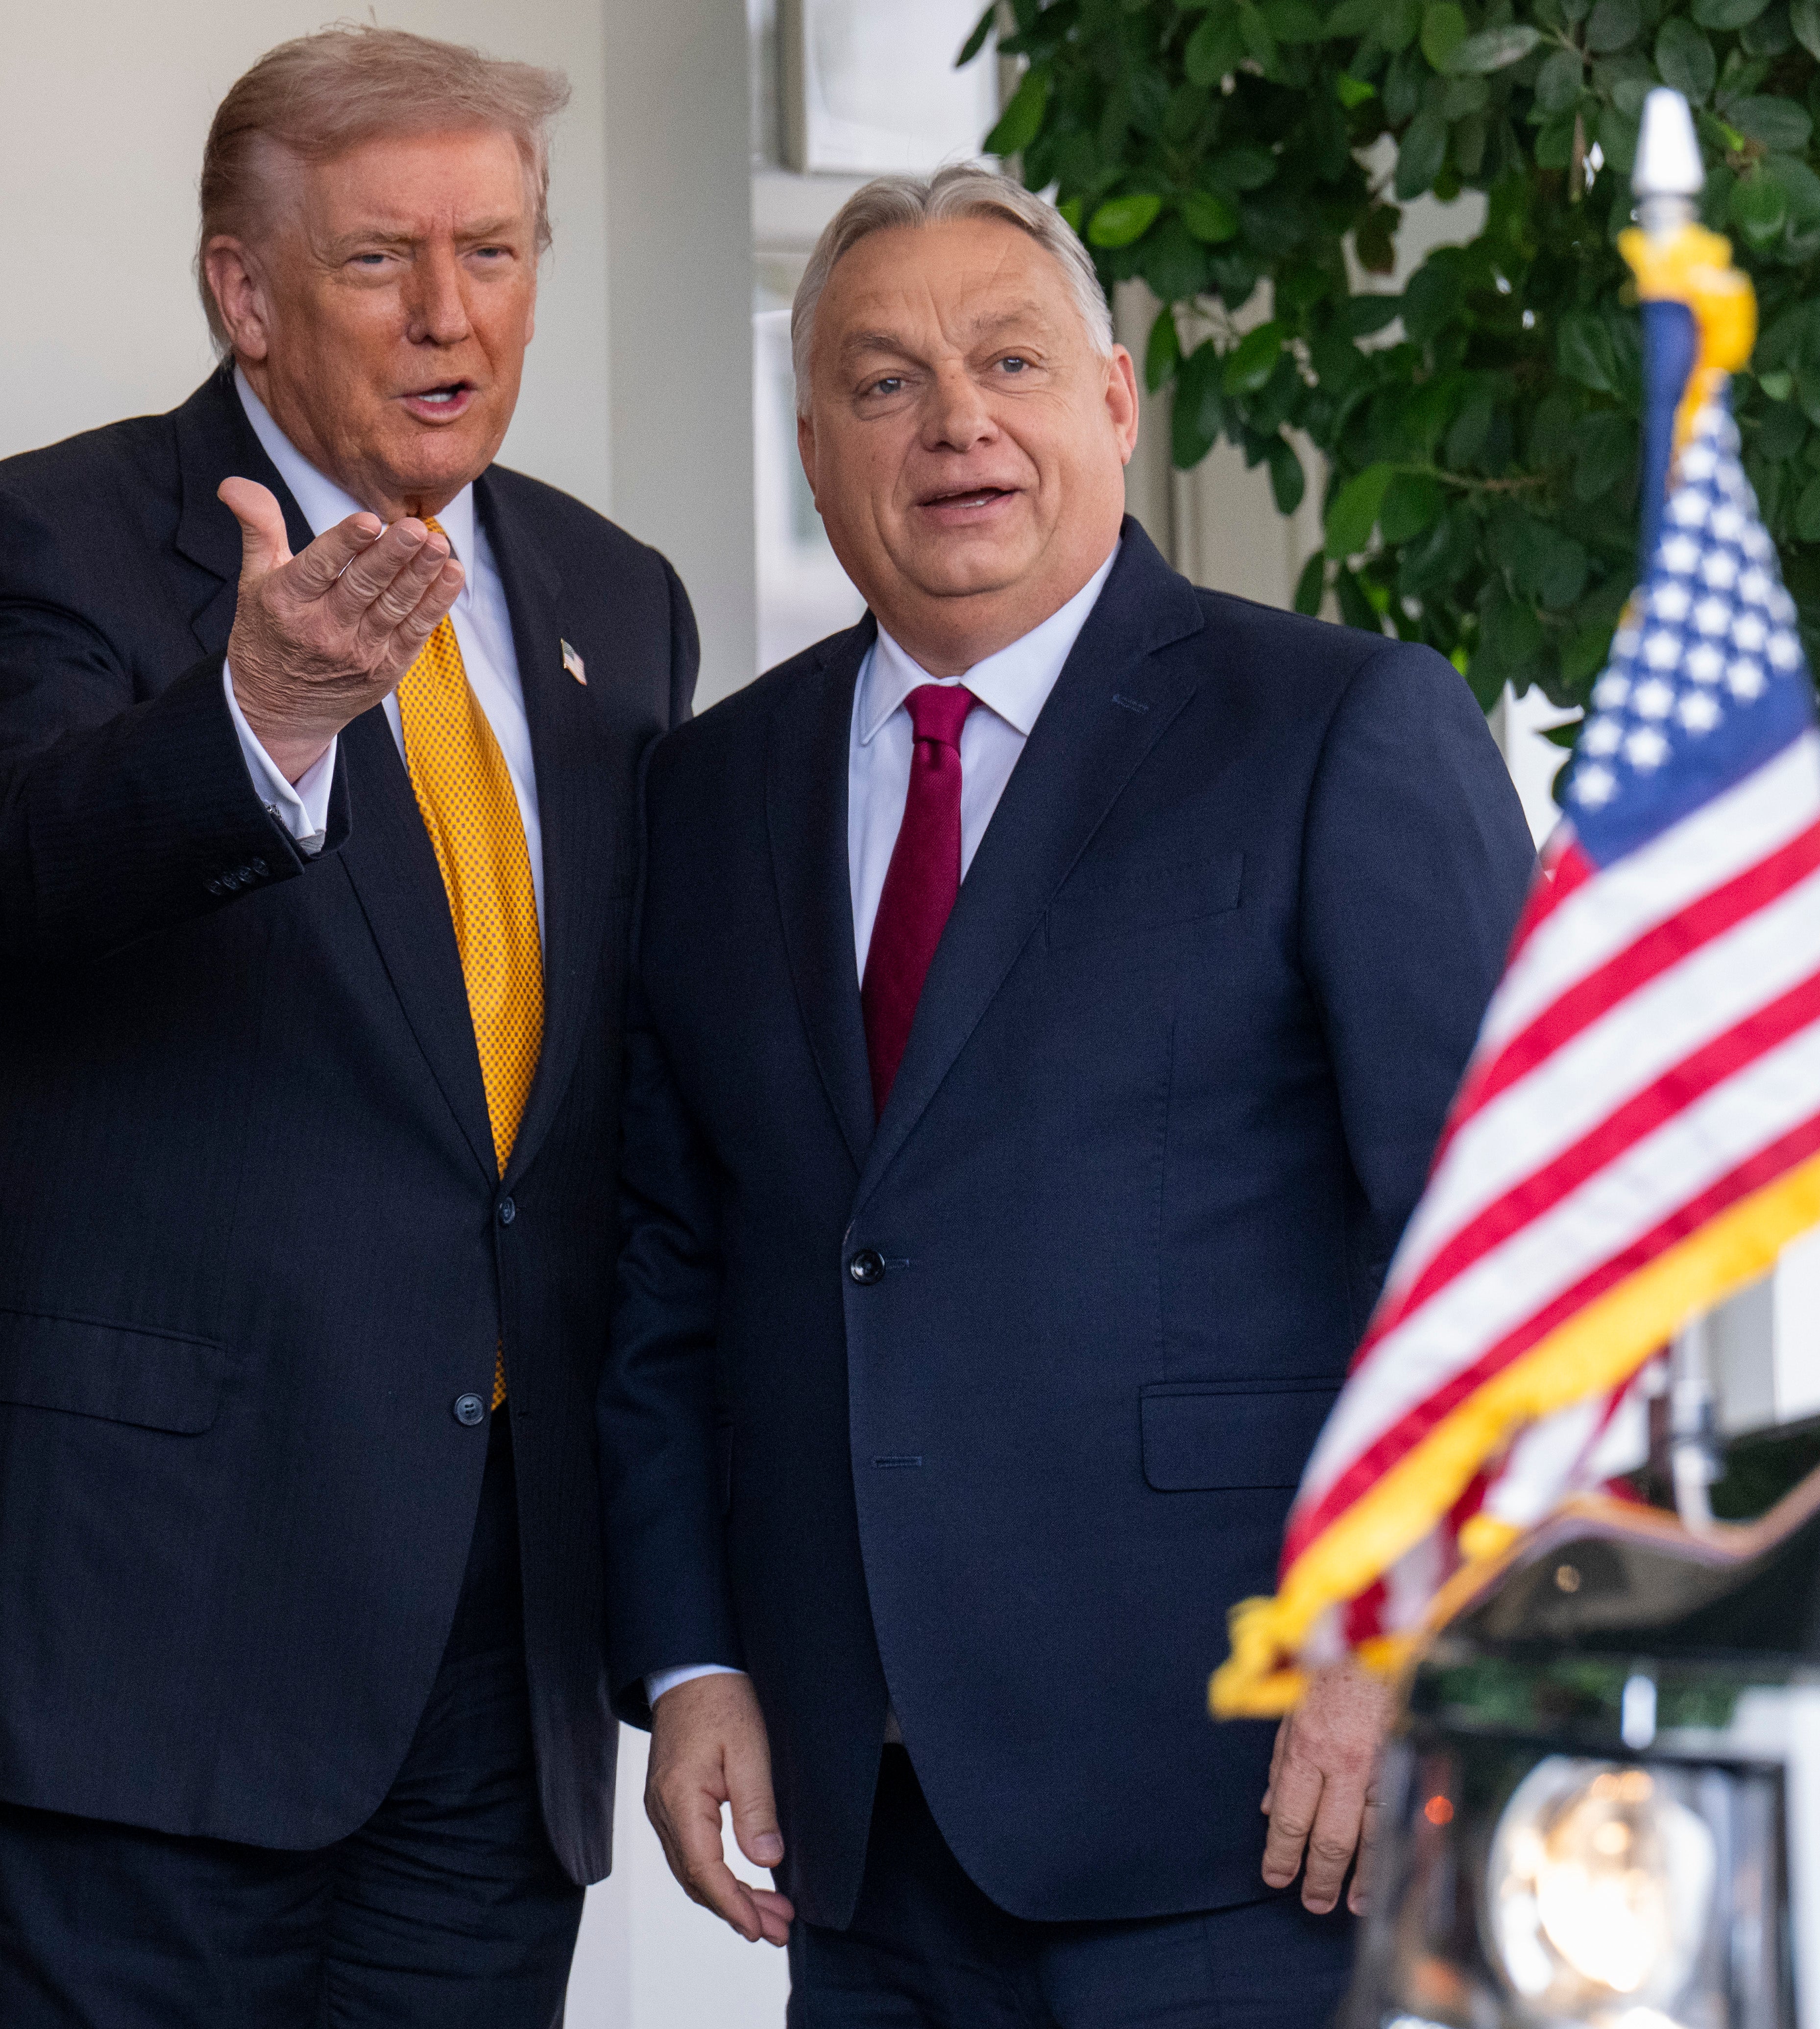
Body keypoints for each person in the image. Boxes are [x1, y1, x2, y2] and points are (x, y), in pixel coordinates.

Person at [0, 24, 697, 2026]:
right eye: (379, 261)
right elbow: (23, 869)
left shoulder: (612, 600)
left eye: (494, 251)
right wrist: (258, 719)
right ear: (244, 292)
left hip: (482, 1651)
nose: (449, 314)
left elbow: (593, 1120)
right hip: (126, 1637)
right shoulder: (44, 544)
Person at [599, 165, 1535, 2026]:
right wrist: (693, 1660)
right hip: (858, 1819)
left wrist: (1394, 1643)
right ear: (811, 449)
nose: (956, 422)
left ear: (1112, 400)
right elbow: (664, 1271)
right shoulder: (708, 792)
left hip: (1236, 1804)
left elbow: (1487, 1243)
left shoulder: (1340, 725)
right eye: (883, 382)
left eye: (1008, 362)